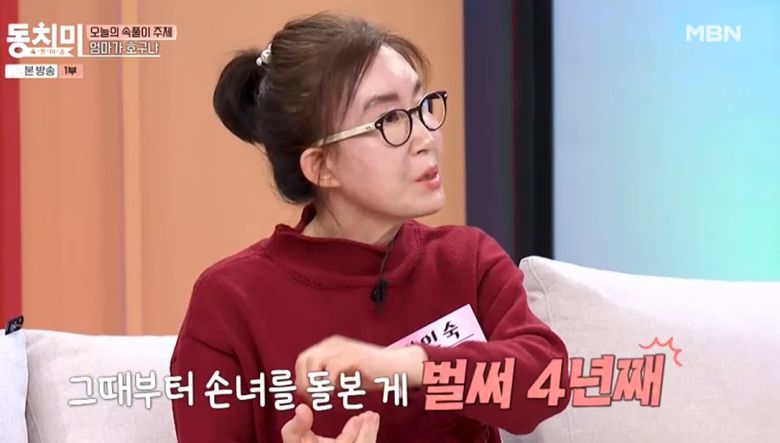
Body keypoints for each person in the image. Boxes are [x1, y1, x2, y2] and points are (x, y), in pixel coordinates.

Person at [169, 12, 570, 443]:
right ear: (321, 166)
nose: (425, 138)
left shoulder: (465, 260)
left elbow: (546, 382)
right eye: (391, 119)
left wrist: (407, 366)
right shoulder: (230, 301)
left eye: (422, 106)